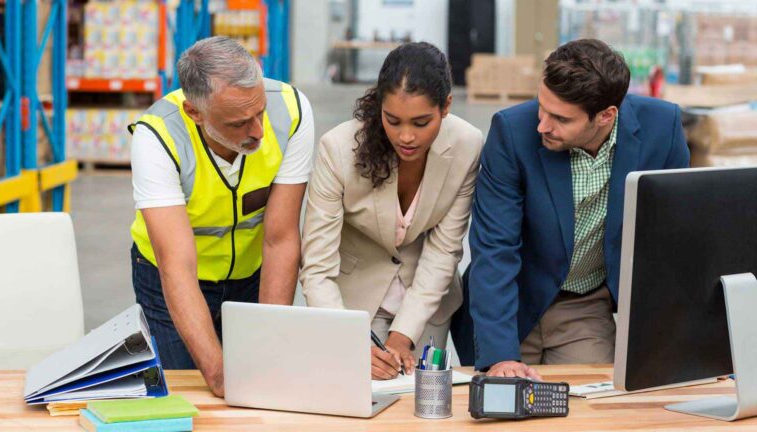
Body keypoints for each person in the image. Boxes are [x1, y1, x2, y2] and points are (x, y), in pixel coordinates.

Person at [468, 39, 690, 378]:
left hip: (585, 304)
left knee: (590, 412)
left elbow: (672, 243)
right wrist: (499, 357)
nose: (542, 124)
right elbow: (495, 247)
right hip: (511, 300)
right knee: (499, 406)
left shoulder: (663, 128)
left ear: (606, 116)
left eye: (559, 118)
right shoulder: (512, 131)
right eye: (541, 106)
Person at [128, 36, 314, 396]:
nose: (258, 131)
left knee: (261, 382)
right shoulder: (157, 137)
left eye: (259, 112)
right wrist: (217, 374)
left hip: (252, 273)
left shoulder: (291, 112)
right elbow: (176, 266)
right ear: (194, 112)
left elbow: (281, 238)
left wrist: (269, 342)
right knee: (188, 394)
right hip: (173, 280)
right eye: (238, 123)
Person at [299, 42, 483, 380]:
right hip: (350, 306)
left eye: (422, 122)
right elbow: (317, 268)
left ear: (446, 107)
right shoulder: (338, 150)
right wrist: (348, 341)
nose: (406, 136)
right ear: (379, 107)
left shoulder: (467, 144)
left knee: (421, 408)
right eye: (393, 120)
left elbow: (445, 250)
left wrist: (404, 335)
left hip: (427, 306)